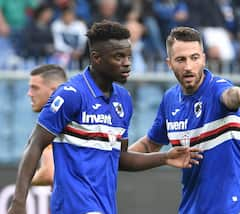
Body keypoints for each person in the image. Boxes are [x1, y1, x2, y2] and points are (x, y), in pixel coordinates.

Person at [8, 20, 202, 214]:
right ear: (96, 58)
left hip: (105, 207)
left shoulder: (124, 99)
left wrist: (165, 157)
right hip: (74, 207)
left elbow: (120, 159)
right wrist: (18, 202)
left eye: (128, 56)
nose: (127, 63)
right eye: (119, 57)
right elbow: (35, 144)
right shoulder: (72, 94)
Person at [129, 26, 240, 214]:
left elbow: (229, 95)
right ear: (169, 64)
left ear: (203, 58)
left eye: (194, 58)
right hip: (191, 208)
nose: (188, 67)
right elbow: (151, 143)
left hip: (231, 207)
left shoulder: (217, 88)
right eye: (180, 60)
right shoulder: (170, 100)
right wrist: (116, 158)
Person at [27, 64, 67, 186]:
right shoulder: (81, 117)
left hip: (72, 203)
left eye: (35, 88)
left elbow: (49, 174)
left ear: (54, 91)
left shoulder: (53, 124)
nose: (29, 93)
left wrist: (25, 179)